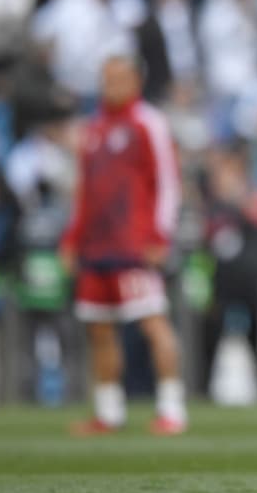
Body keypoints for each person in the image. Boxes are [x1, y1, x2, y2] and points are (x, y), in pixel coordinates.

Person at [61, 54, 187, 435]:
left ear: (135, 80)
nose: (110, 86)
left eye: (118, 78)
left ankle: (172, 408)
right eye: (106, 79)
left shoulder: (149, 122)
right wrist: (72, 238)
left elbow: (167, 182)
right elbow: (84, 191)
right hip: (97, 246)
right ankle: (108, 412)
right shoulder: (93, 128)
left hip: (135, 245)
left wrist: (159, 235)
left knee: (153, 323)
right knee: (99, 329)